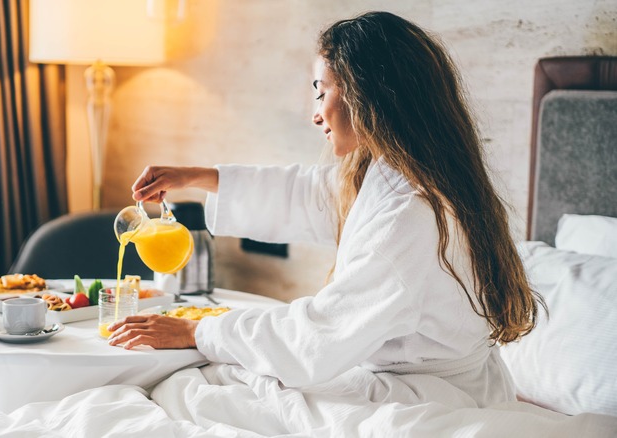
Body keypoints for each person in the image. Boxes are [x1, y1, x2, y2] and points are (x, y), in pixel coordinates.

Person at [107, 11, 545, 407]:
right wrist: (196, 177)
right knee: (202, 387)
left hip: (426, 402)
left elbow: (318, 338)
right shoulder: (400, 173)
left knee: (190, 394)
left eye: (321, 93)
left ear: (368, 96)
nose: (316, 115)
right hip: (419, 383)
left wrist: (199, 331)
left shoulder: (410, 216)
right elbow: (311, 194)